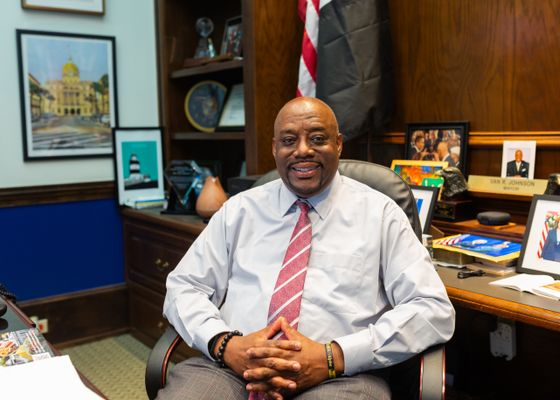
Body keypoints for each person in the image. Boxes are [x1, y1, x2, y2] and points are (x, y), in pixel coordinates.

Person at [159, 97, 455, 400]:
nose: (302, 150)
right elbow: (184, 286)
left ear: (338, 144)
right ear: (275, 148)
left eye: (317, 139)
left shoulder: (380, 214)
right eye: (289, 140)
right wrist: (225, 344)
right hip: (232, 369)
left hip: (339, 378)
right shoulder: (238, 211)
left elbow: (432, 309)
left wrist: (334, 356)